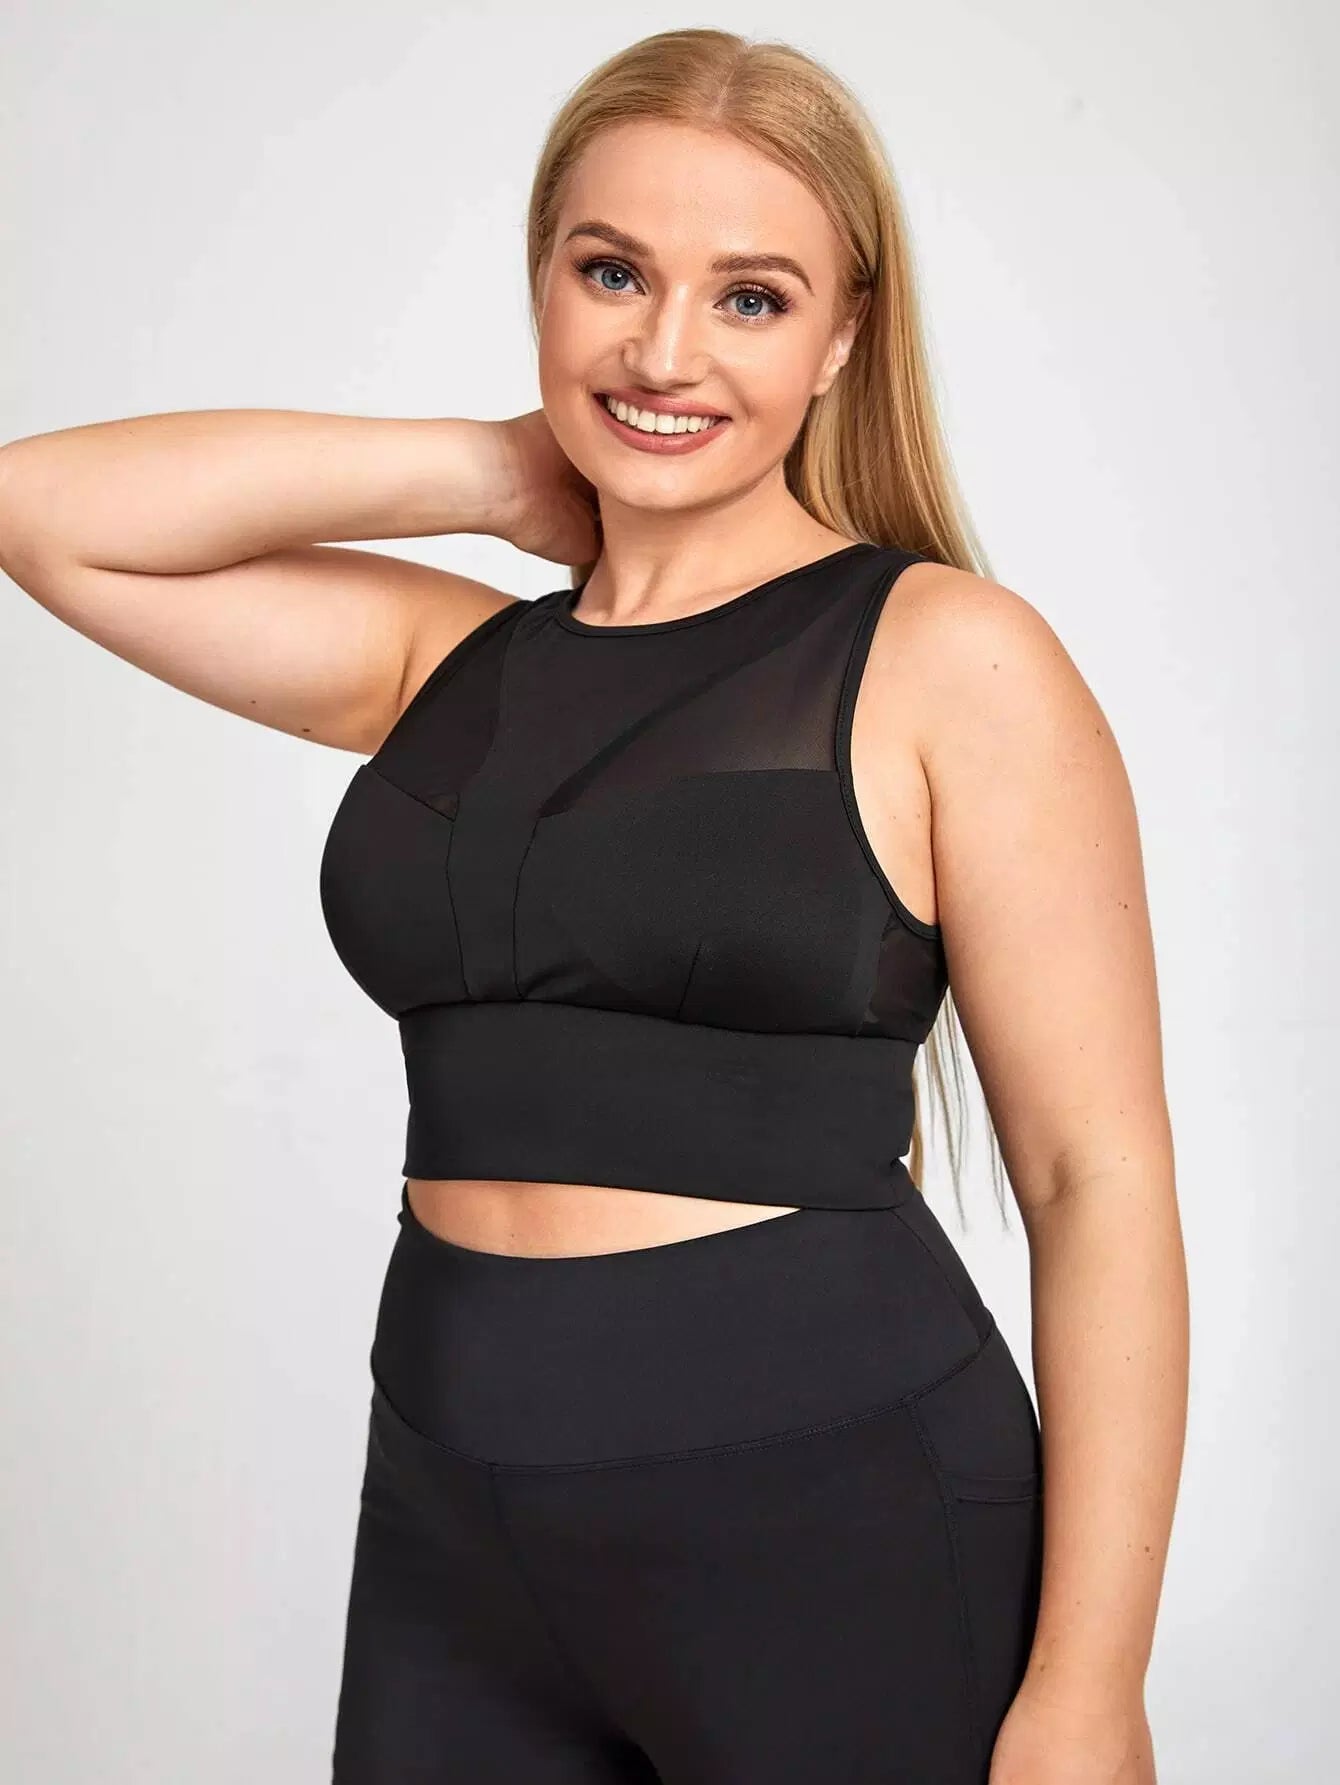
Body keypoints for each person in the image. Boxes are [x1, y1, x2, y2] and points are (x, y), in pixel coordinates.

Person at [0, 26, 1187, 1785]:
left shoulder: (948, 656)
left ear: (843, 336)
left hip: (832, 1513)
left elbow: (1097, 1182)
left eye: (751, 297)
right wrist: (495, 472)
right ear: (543, 277)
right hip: (454, 1533)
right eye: (612, 272)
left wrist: (1093, 1684)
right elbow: (43, 512)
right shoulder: (448, 662)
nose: (666, 350)